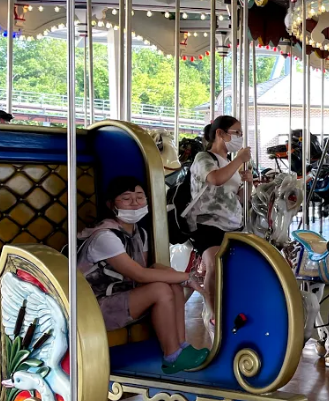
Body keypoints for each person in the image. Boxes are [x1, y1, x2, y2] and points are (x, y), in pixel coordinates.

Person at [78, 177, 209, 373]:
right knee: (160, 289)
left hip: (122, 296)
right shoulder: (105, 237)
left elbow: (147, 268)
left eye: (139, 197)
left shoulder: (140, 234)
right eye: (126, 198)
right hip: (94, 306)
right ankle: (172, 355)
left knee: (171, 283)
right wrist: (188, 277)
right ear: (111, 205)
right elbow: (139, 274)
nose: (135, 203)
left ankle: (181, 346)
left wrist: (175, 276)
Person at [186, 115, 251, 317]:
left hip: (233, 223)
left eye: (241, 133)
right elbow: (215, 179)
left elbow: (239, 197)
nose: (240, 137)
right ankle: (213, 314)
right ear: (220, 134)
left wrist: (248, 183)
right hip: (209, 224)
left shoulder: (229, 163)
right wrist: (239, 160)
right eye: (237, 133)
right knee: (215, 264)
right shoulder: (204, 158)